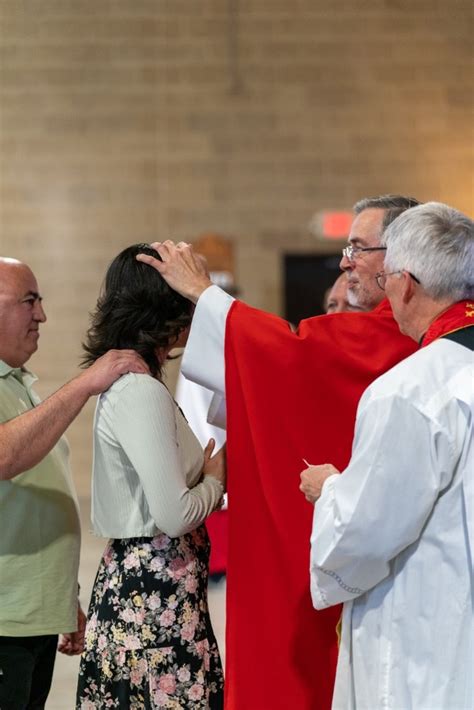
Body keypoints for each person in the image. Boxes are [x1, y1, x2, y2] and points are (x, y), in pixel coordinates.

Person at [136, 195, 420, 710]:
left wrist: (205, 292)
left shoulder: (400, 335)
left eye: (358, 247)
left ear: (403, 255)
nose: (345, 260)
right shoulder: (391, 330)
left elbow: (292, 351)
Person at [301, 202, 473, 709]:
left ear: (407, 284)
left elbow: (364, 533)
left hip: (427, 641)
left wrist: (328, 489)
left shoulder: (410, 390)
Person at [76, 245, 226, 709]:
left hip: (159, 593)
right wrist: (217, 479)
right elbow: (175, 513)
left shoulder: (140, 380)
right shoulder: (139, 389)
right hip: (152, 599)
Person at [0, 257, 148, 710]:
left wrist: (62, 598)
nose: (42, 314)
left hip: (30, 615)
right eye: (30, 301)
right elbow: (5, 455)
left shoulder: (19, 383)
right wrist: (85, 384)